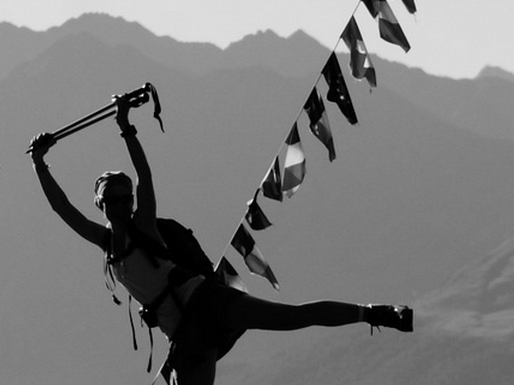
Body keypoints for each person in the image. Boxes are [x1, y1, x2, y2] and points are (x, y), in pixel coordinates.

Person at [30, 91, 413, 385]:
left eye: (123, 197)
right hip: (184, 332)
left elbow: (145, 175)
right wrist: (39, 163)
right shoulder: (105, 243)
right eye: (111, 199)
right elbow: (62, 209)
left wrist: (125, 123)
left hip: (205, 303)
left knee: (294, 317)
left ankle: (373, 313)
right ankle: (370, 313)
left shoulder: (144, 225)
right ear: (99, 203)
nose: (119, 203)